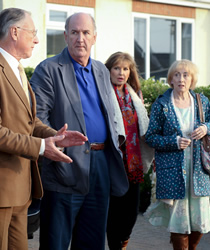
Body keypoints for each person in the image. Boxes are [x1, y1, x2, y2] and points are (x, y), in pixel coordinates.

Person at [30, 13, 129, 250]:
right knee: (56, 242)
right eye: (74, 32)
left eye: (85, 33)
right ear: (65, 36)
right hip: (64, 164)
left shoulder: (102, 71)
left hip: (101, 165)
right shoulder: (48, 69)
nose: (80, 38)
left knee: (93, 242)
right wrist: (56, 140)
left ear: (94, 37)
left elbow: (111, 113)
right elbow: (34, 117)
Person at [0, 8, 87, 250]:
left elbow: (27, 121)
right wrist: (40, 147)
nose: (37, 39)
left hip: (21, 189)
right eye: (33, 33)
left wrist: (55, 137)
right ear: (15, 32)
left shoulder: (17, 69)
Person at [145, 59, 210, 250]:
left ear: (192, 79)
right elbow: (151, 137)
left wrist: (205, 128)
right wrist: (174, 142)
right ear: (170, 79)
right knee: (178, 222)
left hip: (198, 171)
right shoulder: (162, 104)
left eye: (186, 75)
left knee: (200, 222)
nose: (181, 79)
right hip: (172, 172)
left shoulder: (201, 102)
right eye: (177, 75)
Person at [104, 52, 154, 250]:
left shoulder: (135, 95)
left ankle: (123, 241)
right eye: (116, 68)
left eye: (125, 69)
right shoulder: (103, 93)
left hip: (134, 162)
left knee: (131, 213)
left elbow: (143, 127)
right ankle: (115, 246)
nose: (121, 73)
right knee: (113, 212)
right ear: (109, 70)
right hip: (112, 161)